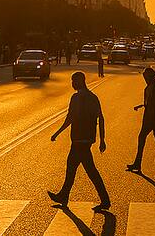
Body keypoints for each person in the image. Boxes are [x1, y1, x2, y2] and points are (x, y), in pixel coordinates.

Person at [48, 71, 110, 212]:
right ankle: (63, 195)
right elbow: (101, 118)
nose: (72, 84)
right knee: (73, 168)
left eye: (73, 81)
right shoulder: (93, 97)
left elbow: (70, 118)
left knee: (88, 171)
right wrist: (102, 140)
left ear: (79, 82)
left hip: (78, 139)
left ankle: (105, 200)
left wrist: (57, 132)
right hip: (87, 139)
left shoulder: (76, 97)